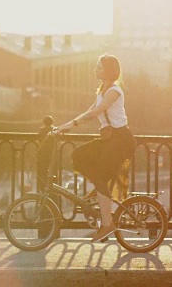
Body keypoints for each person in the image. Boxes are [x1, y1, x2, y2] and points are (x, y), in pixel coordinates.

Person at [55, 54, 136, 242]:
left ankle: (107, 225)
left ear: (108, 71)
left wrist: (71, 125)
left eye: (99, 68)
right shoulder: (102, 90)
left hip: (120, 140)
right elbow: (89, 110)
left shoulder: (114, 91)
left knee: (99, 175)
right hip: (110, 140)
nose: (95, 70)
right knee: (79, 154)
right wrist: (64, 126)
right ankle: (100, 188)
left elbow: (94, 114)